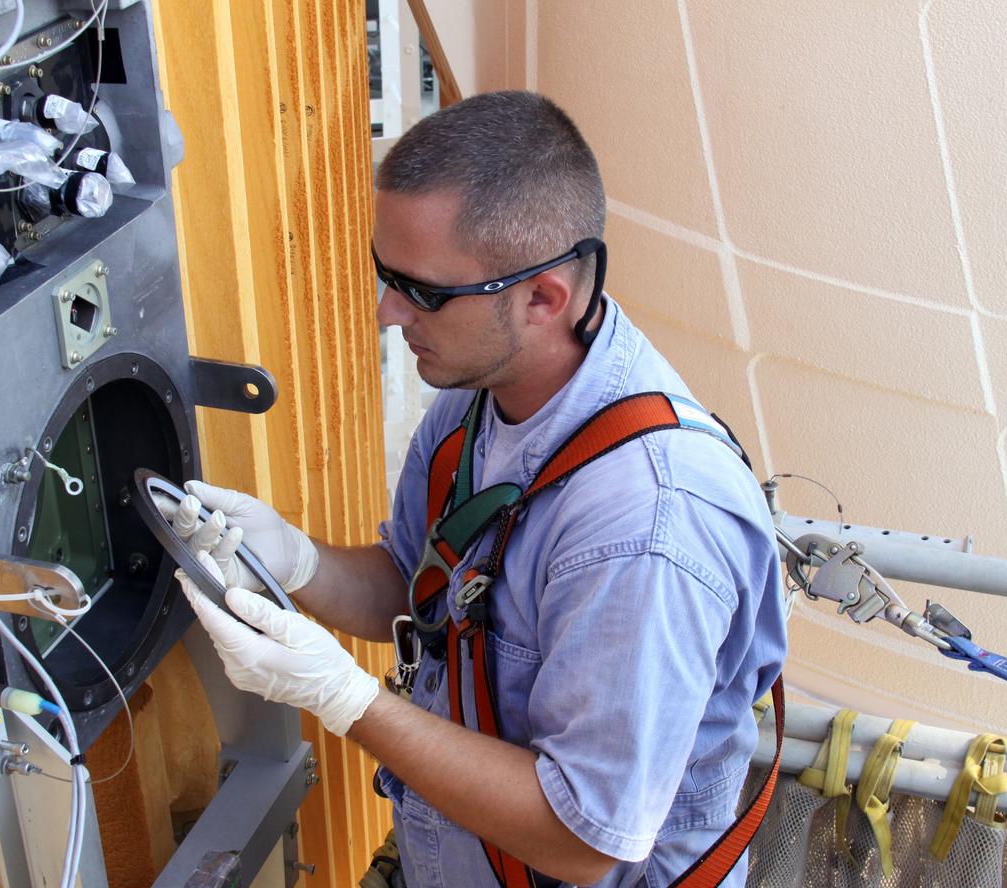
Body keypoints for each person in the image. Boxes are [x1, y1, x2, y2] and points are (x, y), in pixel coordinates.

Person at [169, 91, 787, 888]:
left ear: (544, 298)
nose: (389, 312)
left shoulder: (646, 528)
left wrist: (346, 699)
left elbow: (584, 839)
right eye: (383, 274)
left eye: (421, 291)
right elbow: (412, 581)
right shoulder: (478, 395)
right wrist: (293, 561)